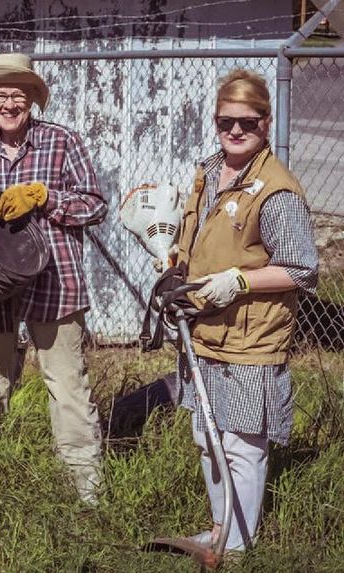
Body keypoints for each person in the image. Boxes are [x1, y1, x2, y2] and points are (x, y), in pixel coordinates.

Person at [170, 68, 317, 558]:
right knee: (208, 435)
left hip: (251, 335)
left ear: (265, 124)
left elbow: (301, 270)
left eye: (247, 123)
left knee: (242, 444)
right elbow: (196, 236)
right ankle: (219, 531)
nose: (235, 131)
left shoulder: (276, 189)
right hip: (204, 326)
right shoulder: (210, 170)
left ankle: (237, 549)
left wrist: (239, 280)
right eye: (225, 121)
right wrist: (174, 261)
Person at [0, 53, 106, 503]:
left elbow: (95, 205)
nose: (7, 105)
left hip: (54, 280)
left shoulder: (62, 141)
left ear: (32, 101)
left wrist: (45, 198)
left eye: (17, 96)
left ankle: (86, 491)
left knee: (67, 386)